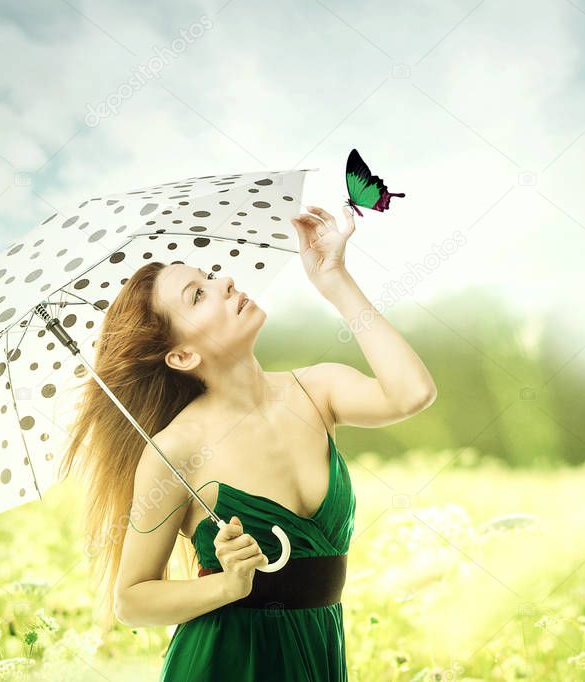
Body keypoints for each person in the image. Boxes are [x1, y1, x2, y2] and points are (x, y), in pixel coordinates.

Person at [59, 204, 437, 680]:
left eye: (212, 275)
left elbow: (413, 392)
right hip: (226, 662)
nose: (226, 283)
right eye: (198, 295)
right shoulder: (177, 450)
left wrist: (336, 280)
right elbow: (132, 599)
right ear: (181, 354)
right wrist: (226, 587)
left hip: (318, 655)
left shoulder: (316, 390)